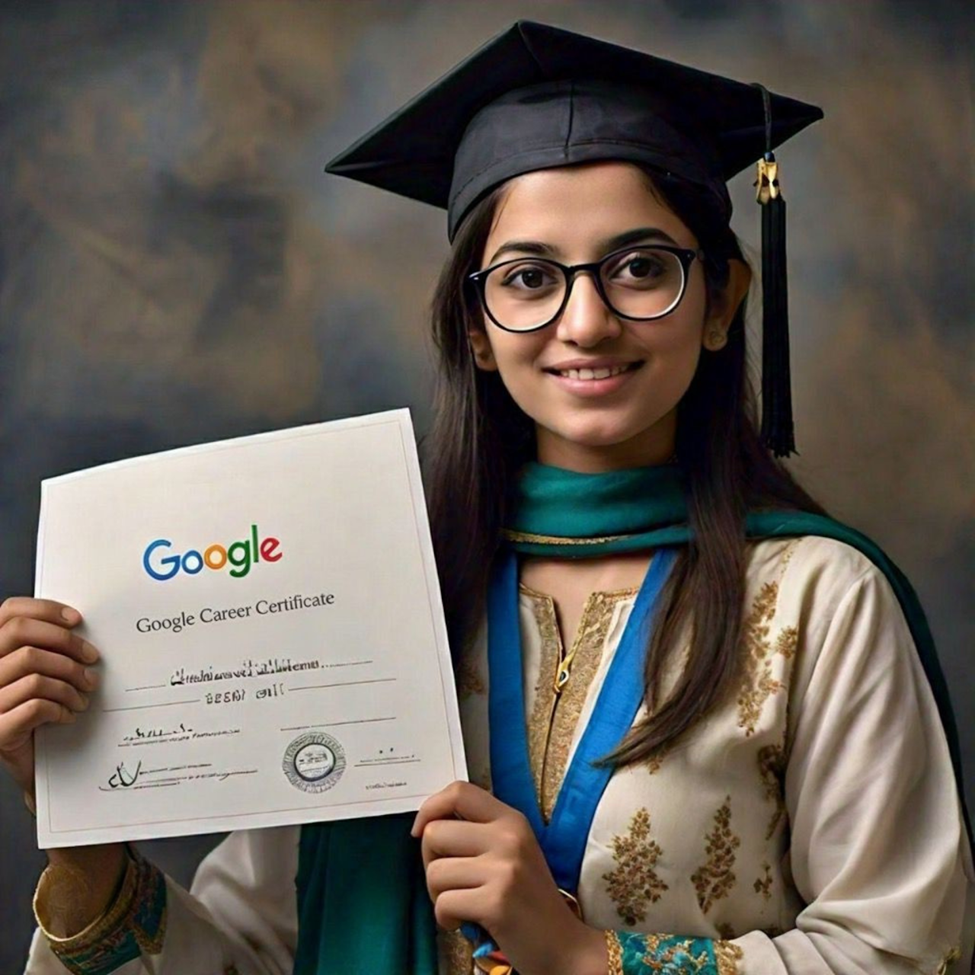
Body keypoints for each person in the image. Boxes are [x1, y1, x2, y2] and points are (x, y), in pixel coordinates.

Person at [6, 19, 973, 975]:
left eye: (640, 266)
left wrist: (584, 956)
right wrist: (90, 854)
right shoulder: (370, 597)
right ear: (475, 325)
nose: (585, 322)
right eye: (527, 278)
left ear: (720, 301)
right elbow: (254, 958)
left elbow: (906, 953)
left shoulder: (819, 599)